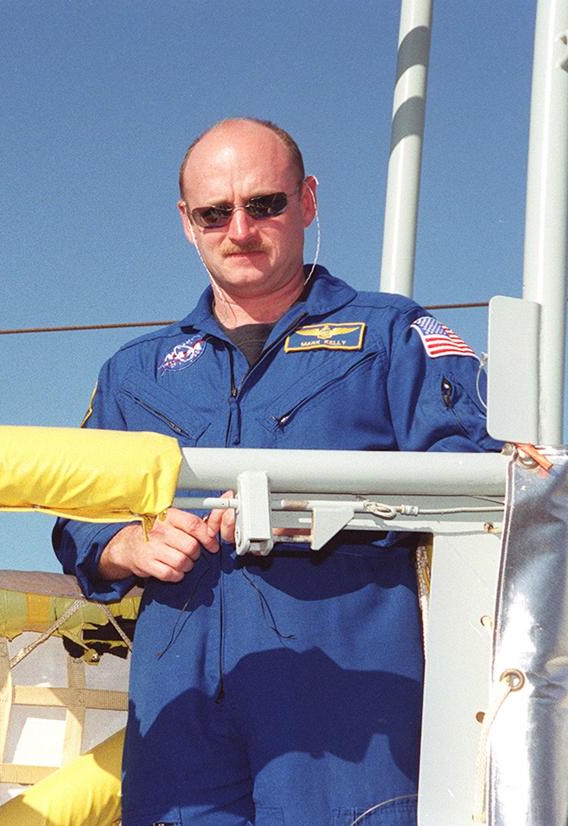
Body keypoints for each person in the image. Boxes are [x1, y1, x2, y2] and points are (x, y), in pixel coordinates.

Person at [53, 118, 499, 825]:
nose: (240, 229)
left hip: (347, 714)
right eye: (214, 212)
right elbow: (74, 512)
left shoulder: (390, 337)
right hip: (180, 710)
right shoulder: (133, 373)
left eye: (265, 204)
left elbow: (478, 478)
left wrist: (316, 508)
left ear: (309, 201)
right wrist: (122, 547)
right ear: (186, 223)